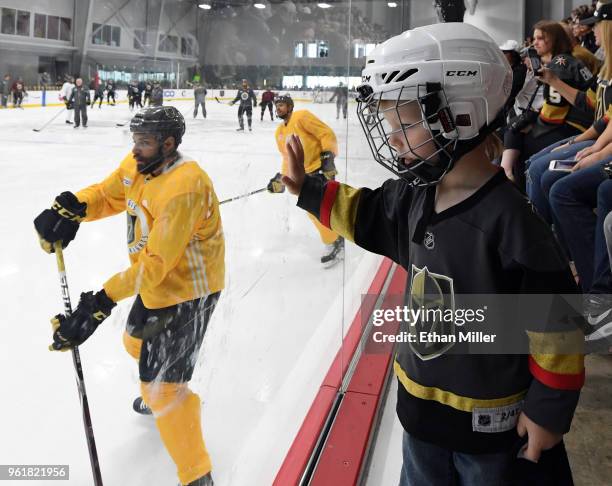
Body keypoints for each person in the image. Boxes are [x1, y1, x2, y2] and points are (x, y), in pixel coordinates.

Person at [282, 23, 584, 485]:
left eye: (402, 121)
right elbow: (365, 215)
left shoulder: (511, 223)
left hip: (490, 434)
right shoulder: (413, 194)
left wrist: (547, 412)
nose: (393, 136)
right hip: (419, 417)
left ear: (458, 114)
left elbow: (557, 328)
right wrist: (310, 190)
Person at [33, 106, 224, 486]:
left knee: (163, 389)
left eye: (146, 142)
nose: (136, 149)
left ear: (169, 144)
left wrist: (100, 302)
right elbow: (109, 193)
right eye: (135, 140)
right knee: (134, 341)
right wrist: (75, 207)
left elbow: (155, 264)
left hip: (188, 293)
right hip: (156, 286)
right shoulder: (141, 165)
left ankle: (196, 474)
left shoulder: (184, 186)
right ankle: (164, 392)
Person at [500, 20, 594, 188]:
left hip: (576, 126)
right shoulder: (566, 60)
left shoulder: (559, 64)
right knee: (516, 129)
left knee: (521, 139)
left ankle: (519, 189)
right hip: (585, 122)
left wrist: (533, 124)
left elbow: (554, 115)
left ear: (554, 39)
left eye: (540, 38)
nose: (534, 42)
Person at [268, 94, 343, 265]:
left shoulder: (301, 117)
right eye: (276, 105)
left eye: (281, 104)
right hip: (304, 176)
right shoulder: (280, 132)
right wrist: (282, 179)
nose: (278, 108)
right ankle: (335, 238)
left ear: (290, 106)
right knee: (313, 211)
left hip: (320, 170)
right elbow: (288, 159)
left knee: (321, 209)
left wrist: (328, 156)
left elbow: (325, 133)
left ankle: (335, 241)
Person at [499, 40, 527, 116]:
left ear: (514, 54)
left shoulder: (520, 70)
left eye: (505, 52)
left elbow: (510, 92)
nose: (502, 55)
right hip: (513, 107)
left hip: (520, 110)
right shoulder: (508, 68)